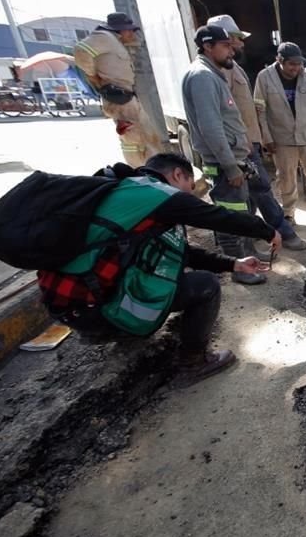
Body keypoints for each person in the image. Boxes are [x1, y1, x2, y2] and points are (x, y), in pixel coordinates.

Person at [36, 154, 281, 380]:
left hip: (68, 308)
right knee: (206, 285)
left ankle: (108, 330)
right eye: (190, 185)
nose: (190, 194)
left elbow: (180, 252)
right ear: (177, 175)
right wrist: (266, 230)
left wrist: (233, 264)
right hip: (94, 308)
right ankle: (193, 362)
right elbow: (216, 216)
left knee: (170, 271)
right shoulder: (157, 194)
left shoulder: (124, 192)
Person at [206, 15, 306, 252]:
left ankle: (251, 243)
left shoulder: (232, 67)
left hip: (247, 141)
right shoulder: (219, 73)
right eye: (236, 39)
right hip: (238, 147)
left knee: (252, 196)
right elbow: (220, 118)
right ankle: (280, 234)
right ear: (224, 40)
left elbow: (243, 108)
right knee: (258, 192)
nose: (241, 44)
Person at [181, 25, 267, 285]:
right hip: (224, 163)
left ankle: (249, 254)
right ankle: (238, 268)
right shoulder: (202, 77)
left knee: (245, 211)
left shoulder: (212, 74)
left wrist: (244, 145)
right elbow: (211, 127)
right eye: (226, 45)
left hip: (236, 156)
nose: (232, 50)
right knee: (230, 218)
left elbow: (227, 120)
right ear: (208, 46)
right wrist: (230, 166)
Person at [252, 42, 306, 226]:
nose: (296, 68)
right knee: (286, 178)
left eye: (299, 64)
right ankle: (288, 214)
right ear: (280, 60)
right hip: (282, 139)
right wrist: (266, 138)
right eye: (292, 64)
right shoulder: (264, 78)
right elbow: (259, 111)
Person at [74, 12, 164, 168]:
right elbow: (81, 51)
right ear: (120, 29)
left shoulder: (115, 42)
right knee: (133, 138)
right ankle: (141, 169)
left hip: (125, 96)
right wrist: (93, 75)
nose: (131, 33)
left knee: (143, 134)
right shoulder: (104, 37)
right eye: (129, 30)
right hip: (118, 97)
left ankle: (153, 167)